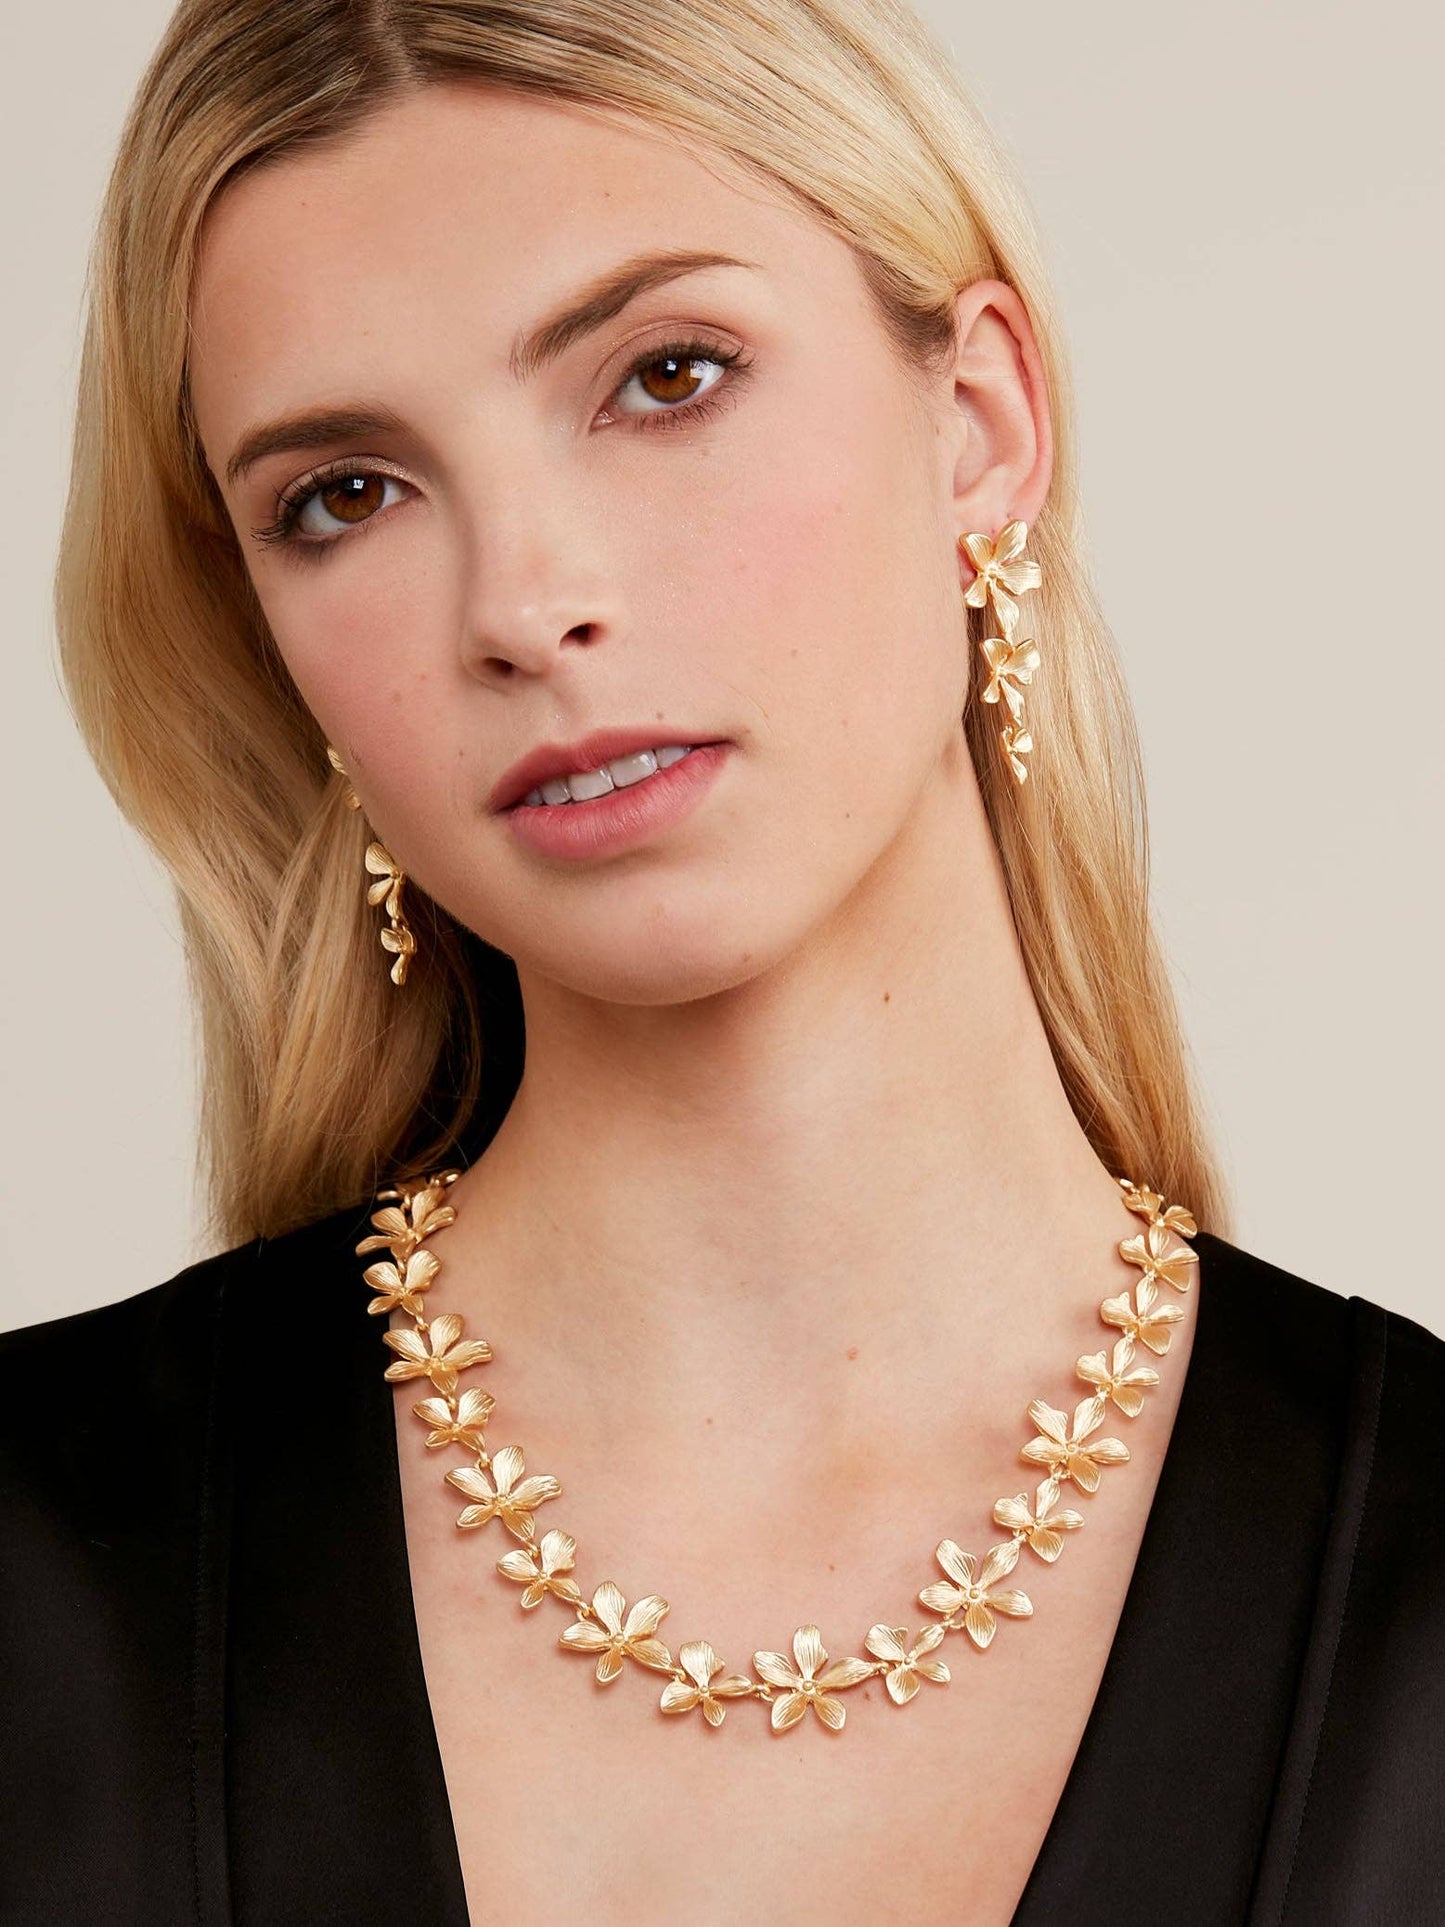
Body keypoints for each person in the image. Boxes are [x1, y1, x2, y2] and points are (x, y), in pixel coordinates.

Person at [2, 0, 1440, 1921]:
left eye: (663, 375)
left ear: (978, 424)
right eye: (343, 495)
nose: (524, 601)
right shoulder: (39, 1563)